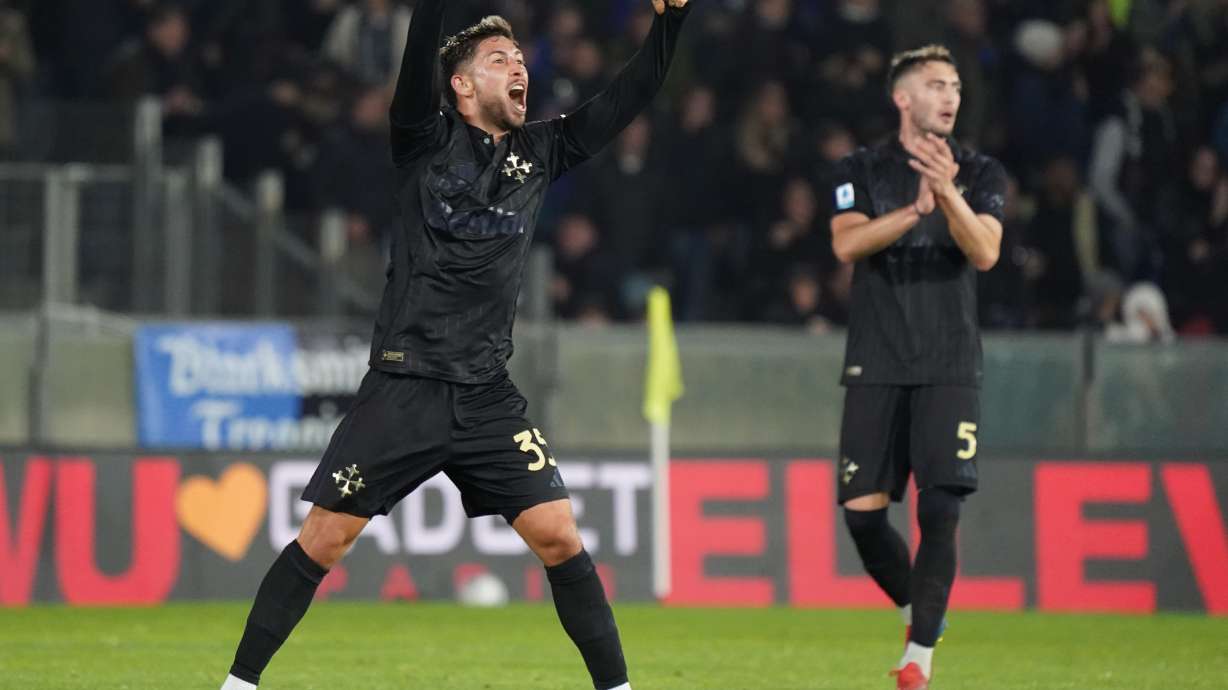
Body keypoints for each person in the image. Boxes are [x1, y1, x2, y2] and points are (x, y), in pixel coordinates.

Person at [218, 1, 694, 688]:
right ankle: (238, 685)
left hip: (486, 394)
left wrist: (670, 21)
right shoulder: (420, 138)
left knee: (559, 534)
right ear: (462, 87)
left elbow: (629, 96)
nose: (519, 66)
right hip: (404, 386)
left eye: (521, 59)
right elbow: (418, 61)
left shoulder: (541, 151)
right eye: (499, 59)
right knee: (326, 539)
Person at [828, 44, 1006, 690]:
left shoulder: (982, 171)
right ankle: (917, 609)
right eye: (936, 84)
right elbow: (847, 241)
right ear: (903, 98)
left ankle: (918, 660)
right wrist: (912, 212)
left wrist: (949, 193)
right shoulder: (863, 167)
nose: (950, 95)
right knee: (862, 515)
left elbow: (985, 251)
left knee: (941, 510)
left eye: (955, 84)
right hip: (875, 359)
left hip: (949, 363)